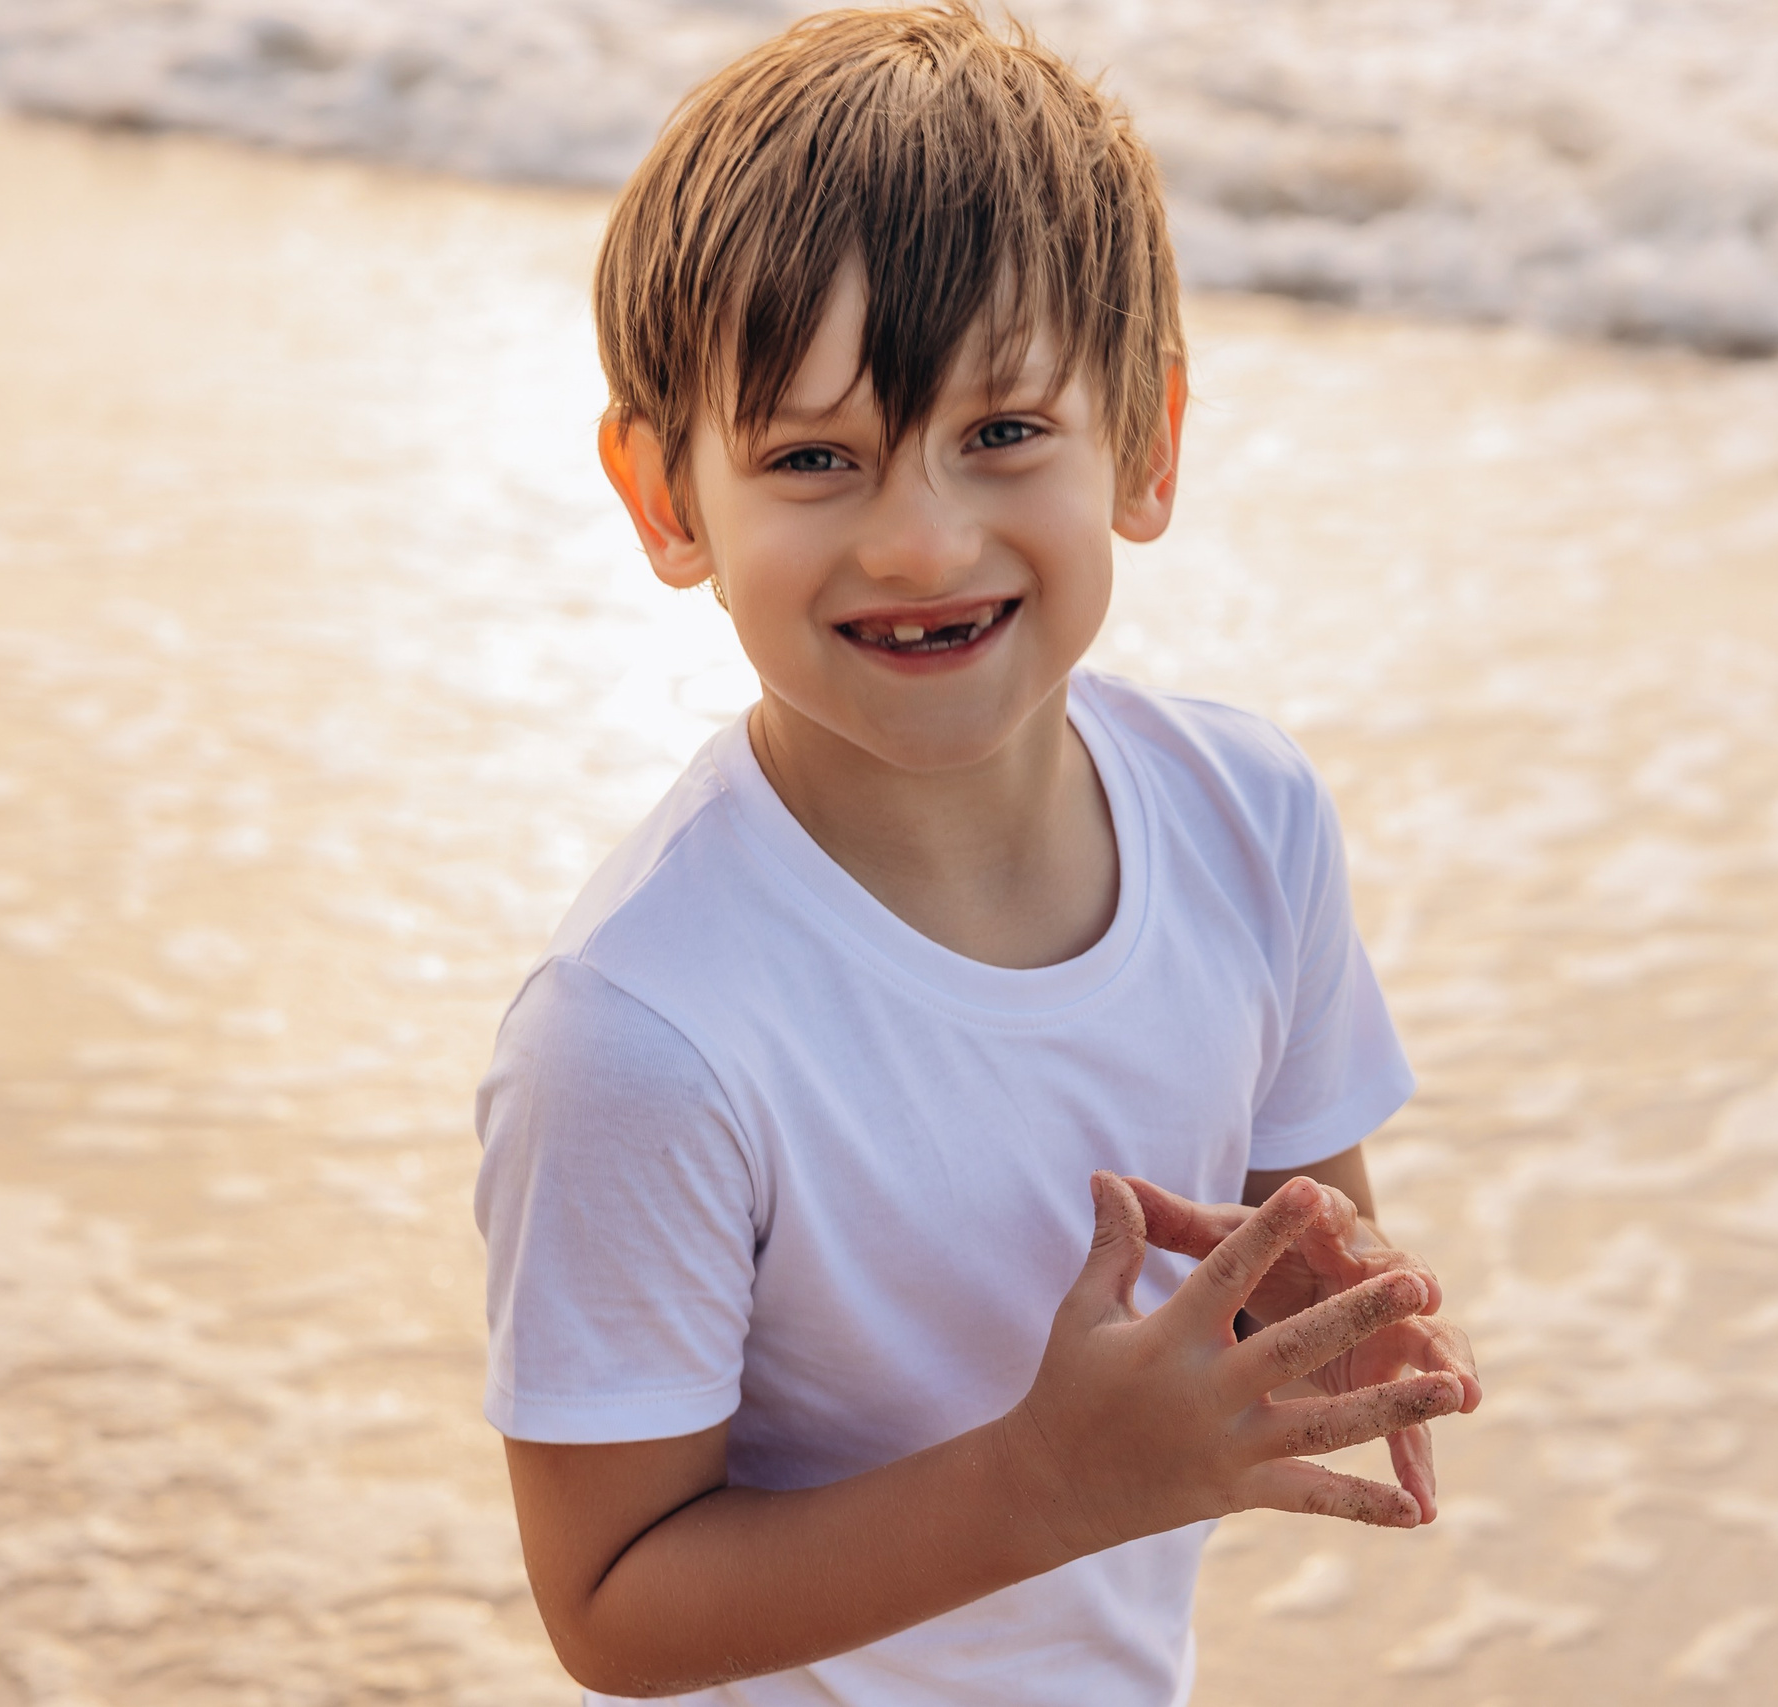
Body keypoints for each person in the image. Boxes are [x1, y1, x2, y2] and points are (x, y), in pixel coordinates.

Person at [472, 6, 1481, 1702]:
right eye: (812, 458)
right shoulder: (642, 1033)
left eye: (1002, 432)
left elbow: (1289, 1253)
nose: (921, 537)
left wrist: (1330, 1323)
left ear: (1146, 446)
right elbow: (610, 1608)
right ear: (665, 497)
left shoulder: (1248, 822)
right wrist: (1046, 1482)